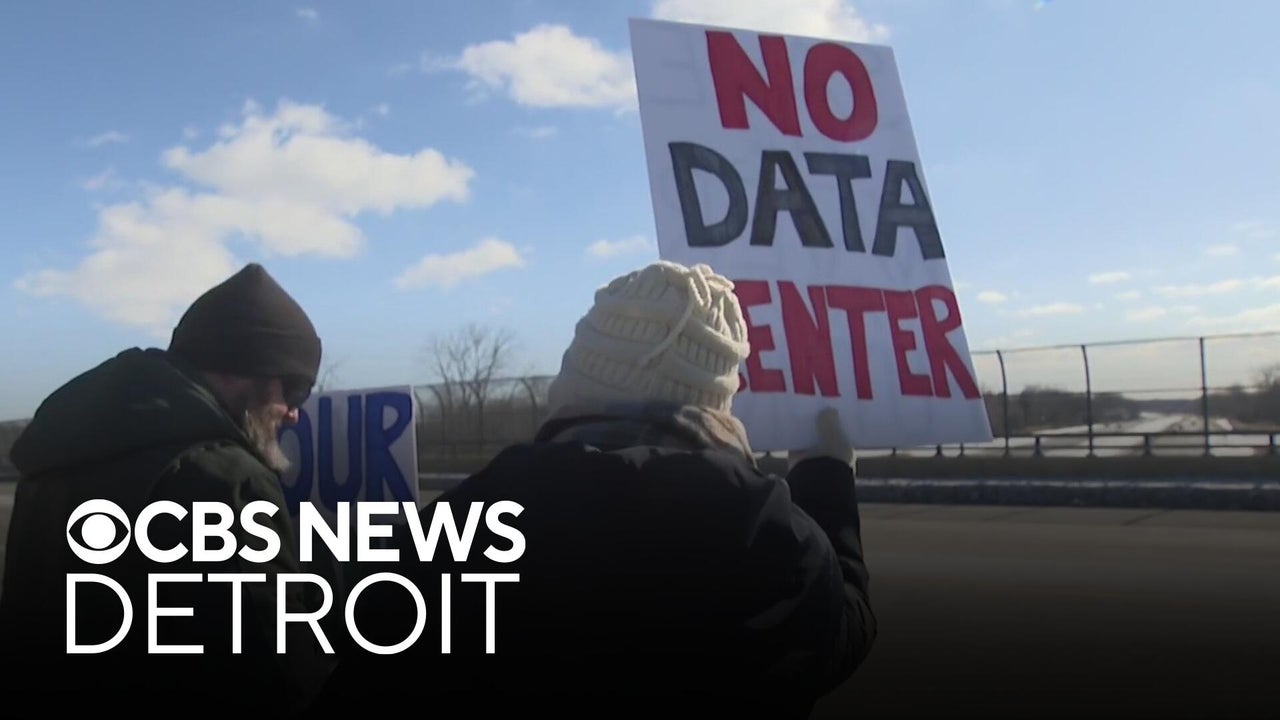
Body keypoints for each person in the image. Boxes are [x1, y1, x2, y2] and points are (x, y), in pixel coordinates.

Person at [324, 261, 876, 718]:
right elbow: (836, 630)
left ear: (574, 384)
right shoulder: (770, 535)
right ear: (718, 401)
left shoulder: (469, 519)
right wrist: (826, 476)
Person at [0, 263, 333, 717]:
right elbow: (281, 679)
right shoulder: (225, 481)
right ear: (246, 367)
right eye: (294, 390)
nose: (294, 413)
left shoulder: (53, 460)